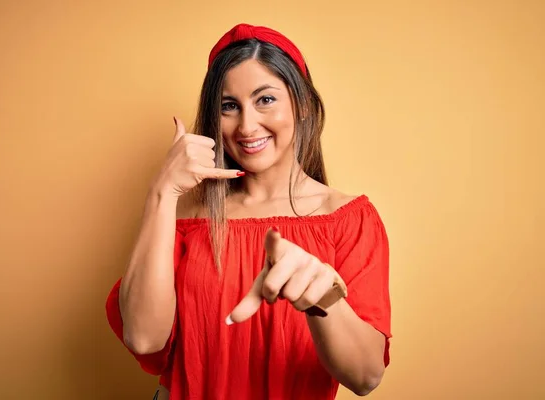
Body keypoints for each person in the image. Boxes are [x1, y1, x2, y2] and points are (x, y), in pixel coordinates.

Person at [105, 23, 392, 399]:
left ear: (302, 104)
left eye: (265, 100)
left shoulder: (348, 219)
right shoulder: (184, 219)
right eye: (229, 106)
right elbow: (143, 337)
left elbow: (365, 376)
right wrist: (162, 192)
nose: (246, 125)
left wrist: (321, 297)